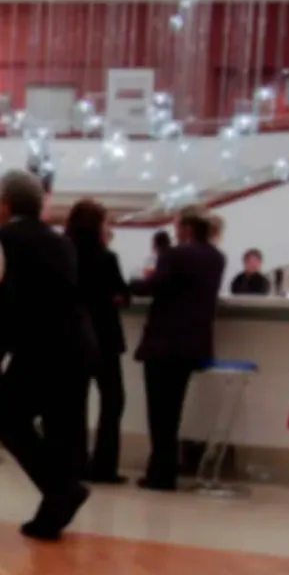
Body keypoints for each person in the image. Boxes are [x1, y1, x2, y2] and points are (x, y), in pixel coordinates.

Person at [0, 170, 93, 540]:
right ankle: (53, 513)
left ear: (3, 205)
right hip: (78, 343)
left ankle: (63, 491)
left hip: (39, 346)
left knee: (10, 421)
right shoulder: (61, 242)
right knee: (62, 430)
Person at [130, 209, 227, 491]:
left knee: (159, 411)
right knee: (174, 407)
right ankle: (166, 469)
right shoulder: (217, 258)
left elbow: (152, 287)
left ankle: (160, 472)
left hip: (164, 342)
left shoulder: (174, 256)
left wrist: (130, 285)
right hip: (193, 342)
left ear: (185, 228)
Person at [66, 199, 130, 485]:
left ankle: (74, 463)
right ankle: (104, 465)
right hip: (104, 336)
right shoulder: (107, 258)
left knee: (74, 402)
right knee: (113, 400)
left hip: (73, 336)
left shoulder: (65, 253)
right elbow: (121, 294)